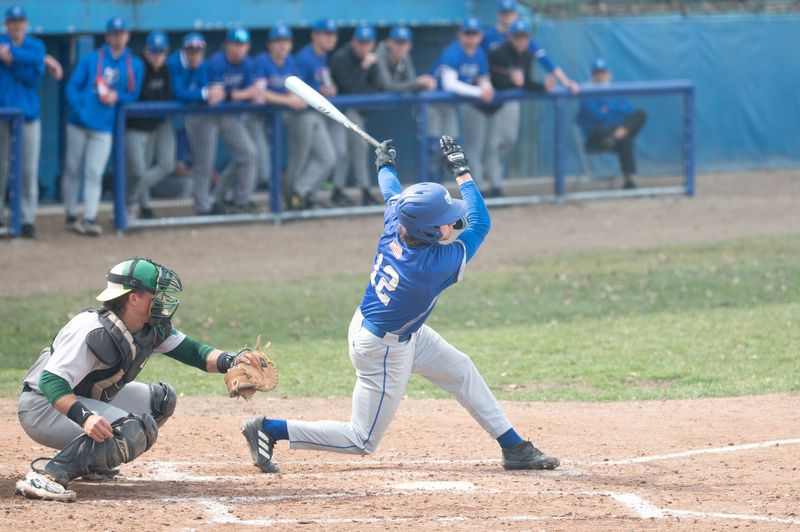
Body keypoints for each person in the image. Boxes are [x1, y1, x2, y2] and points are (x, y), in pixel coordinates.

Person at [240, 136, 560, 474]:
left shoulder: (399, 223)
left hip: (386, 327)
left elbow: (392, 190)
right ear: (428, 232)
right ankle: (269, 428)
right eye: (446, 220)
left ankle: (514, 448)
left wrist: (384, 164)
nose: (453, 222)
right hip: (383, 349)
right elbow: (480, 222)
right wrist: (462, 170)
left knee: (460, 370)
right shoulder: (431, 267)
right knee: (361, 439)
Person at [14, 258, 262, 502]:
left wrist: (232, 360)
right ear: (133, 298)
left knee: (161, 401)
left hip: (82, 398)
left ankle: (91, 461)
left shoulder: (148, 327)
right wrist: (85, 417)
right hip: (43, 407)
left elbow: (195, 352)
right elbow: (51, 381)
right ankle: (49, 475)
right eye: (156, 292)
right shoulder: (91, 330)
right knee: (130, 431)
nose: (163, 299)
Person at [63, 16, 143, 236]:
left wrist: (117, 96)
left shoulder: (133, 64)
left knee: (94, 173)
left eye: (122, 33)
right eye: (114, 34)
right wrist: (82, 110)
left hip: (104, 127)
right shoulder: (91, 59)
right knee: (72, 170)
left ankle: (89, 218)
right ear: (108, 36)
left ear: (127, 36)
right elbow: (71, 88)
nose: (118, 38)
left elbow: (133, 95)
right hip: (78, 124)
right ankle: (70, 215)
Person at [0, 5, 62, 239]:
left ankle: (27, 219)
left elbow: (35, 67)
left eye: (20, 21)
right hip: (2, 116)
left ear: (26, 23)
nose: (17, 25)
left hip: (28, 116)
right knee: (1, 167)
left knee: (28, 170)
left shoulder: (36, 45)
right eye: (12, 21)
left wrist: (9, 59)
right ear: (6, 24)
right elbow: (37, 62)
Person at [485, 19, 551, 197]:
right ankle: (495, 186)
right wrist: (512, 82)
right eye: (517, 36)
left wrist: (543, 87)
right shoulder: (499, 53)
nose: (521, 40)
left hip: (509, 104)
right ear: (510, 37)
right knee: (491, 145)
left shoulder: (527, 55)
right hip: (489, 106)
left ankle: (492, 173)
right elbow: (494, 81)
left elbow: (526, 82)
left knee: (509, 139)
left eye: (524, 37)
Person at [431, 17, 494, 183]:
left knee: (450, 150)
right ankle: (428, 187)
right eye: (468, 33)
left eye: (475, 33)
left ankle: (439, 187)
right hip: (431, 105)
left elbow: (483, 78)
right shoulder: (452, 52)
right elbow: (449, 84)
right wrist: (479, 91)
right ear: (460, 35)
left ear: (480, 36)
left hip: (449, 107)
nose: (471, 37)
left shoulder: (479, 53)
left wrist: (487, 87)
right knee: (431, 148)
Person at [204, 26, 259, 214]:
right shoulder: (216, 61)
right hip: (206, 117)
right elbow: (217, 96)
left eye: (241, 44)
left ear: (248, 46)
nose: (238, 48)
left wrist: (234, 94)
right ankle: (205, 206)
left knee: (248, 154)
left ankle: (239, 201)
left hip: (229, 117)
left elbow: (254, 94)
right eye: (234, 44)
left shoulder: (248, 64)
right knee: (205, 162)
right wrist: (241, 94)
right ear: (226, 45)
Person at [285, 17, 338, 210]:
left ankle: (300, 192)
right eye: (327, 34)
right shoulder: (304, 56)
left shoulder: (322, 57)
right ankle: (290, 198)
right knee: (299, 157)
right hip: (299, 115)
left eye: (333, 34)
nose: (331, 38)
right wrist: (319, 91)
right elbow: (293, 88)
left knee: (328, 157)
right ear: (315, 35)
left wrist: (326, 89)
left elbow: (320, 85)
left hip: (313, 114)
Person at [328, 24, 383, 207]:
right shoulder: (341, 58)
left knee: (358, 150)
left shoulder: (372, 59)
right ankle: (340, 191)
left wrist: (366, 70)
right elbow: (349, 89)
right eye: (361, 42)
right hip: (337, 111)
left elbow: (377, 87)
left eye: (368, 43)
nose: (364, 47)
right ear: (353, 42)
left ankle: (359, 191)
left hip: (355, 112)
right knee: (342, 153)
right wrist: (363, 67)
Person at [167, 32, 221, 214]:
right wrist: (204, 94)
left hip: (196, 116)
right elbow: (179, 93)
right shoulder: (174, 63)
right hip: (162, 118)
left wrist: (207, 94)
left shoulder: (204, 65)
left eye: (198, 51)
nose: (194, 55)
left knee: (206, 160)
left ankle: (203, 205)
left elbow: (204, 89)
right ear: (184, 50)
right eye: (191, 51)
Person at [125, 31, 174, 220]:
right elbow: (140, 95)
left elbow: (168, 96)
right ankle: (133, 201)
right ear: (146, 51)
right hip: (135, 127)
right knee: (137, 171)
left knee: (163, 165)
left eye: (161, 52)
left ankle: (133, 200)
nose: (157, 56)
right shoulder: (138, 66)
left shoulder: (165, 69)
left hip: (156, 126)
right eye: (153, 52)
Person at [252, 24, 307, 192]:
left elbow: (299, 92)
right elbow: (259, 93)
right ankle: (221, 195)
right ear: (269, 44)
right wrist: (287, 100)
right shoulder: (262, 60)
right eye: (278, 41)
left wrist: (293, 99)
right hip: (255, 118)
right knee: (255, 162)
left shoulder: (291, 61)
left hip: (276, 118)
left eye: (286, 41)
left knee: (254, 161)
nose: (282, 45)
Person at [481, 0, 578, 94]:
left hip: (509, 94)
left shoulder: (524, 39)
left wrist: (565, 81)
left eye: (510, 12)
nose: (507, 16)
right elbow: (478, 61)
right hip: (487, 91)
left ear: (516, 14)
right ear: (498, 14)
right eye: (504, 12)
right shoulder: (487, 35)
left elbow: (545, 60)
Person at [577, 58, 647, 190]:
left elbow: (629, 111)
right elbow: (598, 116)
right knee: (624, 135)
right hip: (596, 137)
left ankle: (627, 179)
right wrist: (615, 113)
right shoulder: (586, 90)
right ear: (592, 74)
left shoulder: (614, 89)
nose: (600, 75)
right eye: (597, 72)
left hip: (613, 136)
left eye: (603, 72)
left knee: (640, 114)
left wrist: (608, 110)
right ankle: (627, 179)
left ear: (609, 73)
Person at [375, 25, 436, 94]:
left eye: (404, 43)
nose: (401, 47)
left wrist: (423, 84)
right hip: (371, 100)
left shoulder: (405, 55)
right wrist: (418, 83)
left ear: (409, 46)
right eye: (397, 42)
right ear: (389, 43)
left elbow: (411, 81)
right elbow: (387, 86)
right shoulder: (380, 53)